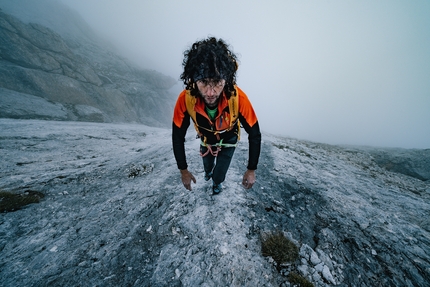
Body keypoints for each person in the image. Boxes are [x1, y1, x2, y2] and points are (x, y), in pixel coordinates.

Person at [172, 37, 261, 194]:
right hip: (206, 138)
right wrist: (183, 171)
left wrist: (251, 170)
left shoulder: (238, 99)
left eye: (217, 81)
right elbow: (177, 136)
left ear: (226, 79)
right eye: (204, 82)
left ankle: (216, 182)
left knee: (219, 173)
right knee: (207, 164)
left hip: (228, 138)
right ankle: (208, 173)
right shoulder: (185, 99)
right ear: (194, 79)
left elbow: (255, 134)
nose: (210, 92)